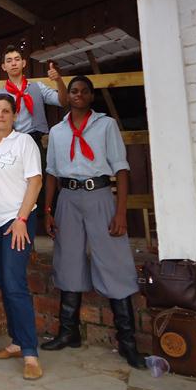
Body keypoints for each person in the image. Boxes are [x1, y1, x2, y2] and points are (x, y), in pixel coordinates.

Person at [42, 76, 146, 369]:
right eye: (73, 91)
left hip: (99, 193)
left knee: (114, 260)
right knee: (68, 260)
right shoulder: (58, 131)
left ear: (91, 96)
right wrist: (48, 210)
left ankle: (127, 343)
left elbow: (121, 169)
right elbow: (51, 172)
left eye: (83, 91)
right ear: (68, 96)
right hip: (68, 198)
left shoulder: (106, 125)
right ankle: (68, 331)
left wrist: (121, 211)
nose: (78, 95)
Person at [0, 94, 43, 380]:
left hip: (17, 221)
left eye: (6, 111)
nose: (1, 115)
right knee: (2, 281)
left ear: (14, 114)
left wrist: (21, 219)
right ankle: (16, 342)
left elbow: (35, 181)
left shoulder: (24, 142)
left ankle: (30, 352)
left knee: (15, 282)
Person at [0, 45, 67, 149]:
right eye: (9, 61)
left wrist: (58, 80)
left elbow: (63, 101)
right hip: (9, 140)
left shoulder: (38, 87)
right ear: (4, 67)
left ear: (23, 63)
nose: (14, 63)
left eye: (17, 59)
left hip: (36, 140)